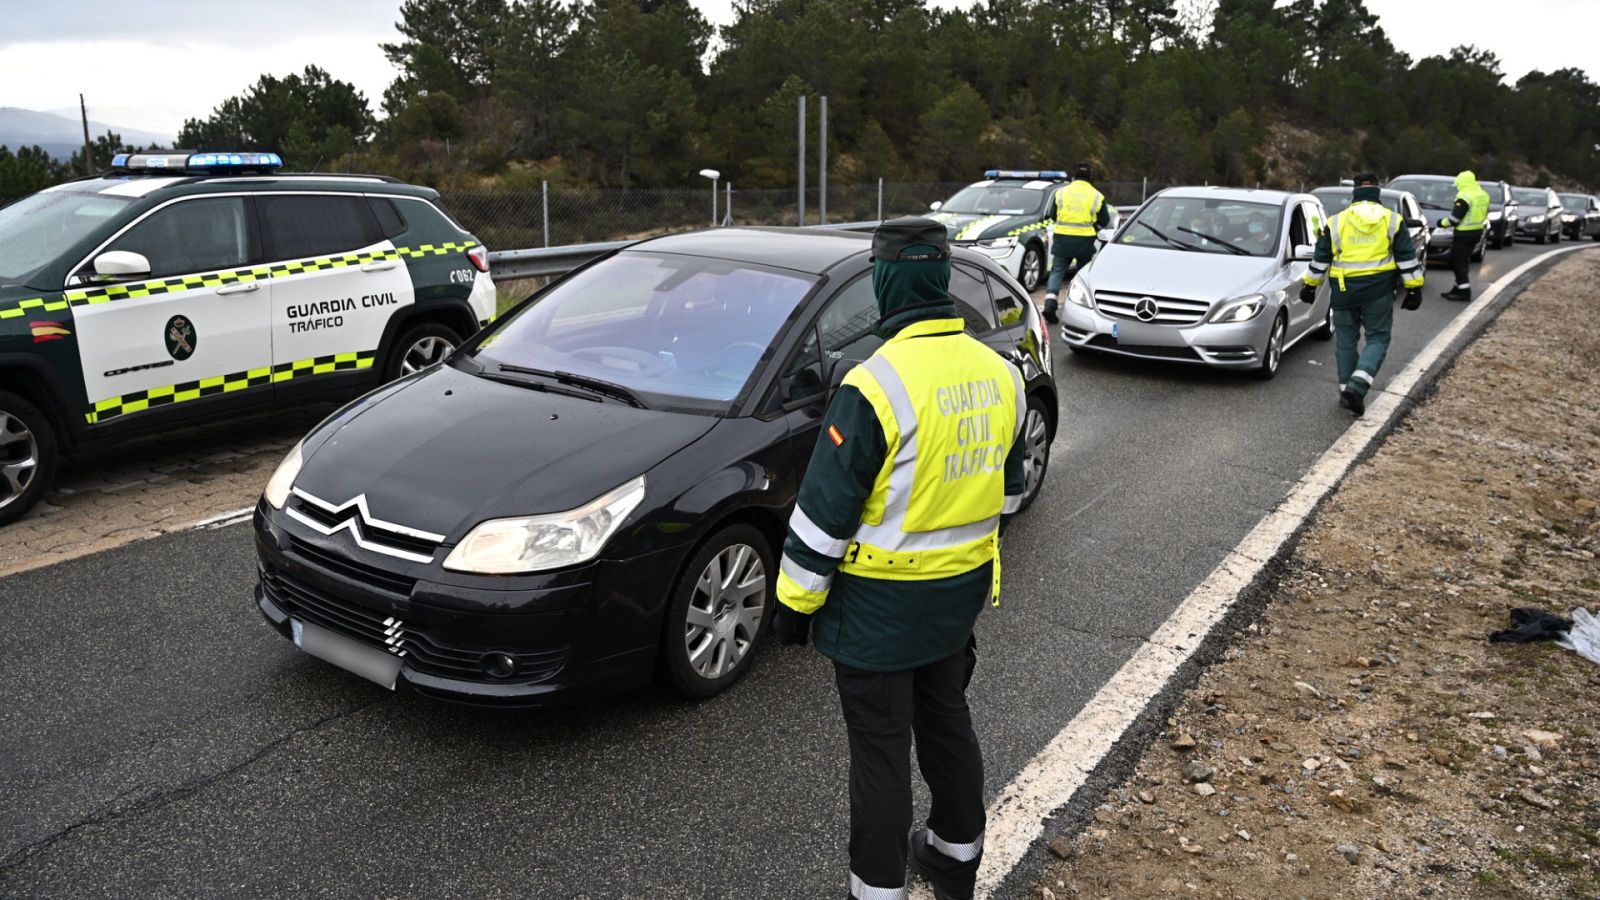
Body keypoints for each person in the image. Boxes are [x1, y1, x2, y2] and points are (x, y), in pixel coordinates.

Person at [772, 216, 1027, 900]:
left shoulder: (873, 385)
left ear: (885, 286)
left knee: (880, 751)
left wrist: (794, 607)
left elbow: (822, 520)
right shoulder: (1002, 374)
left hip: (877, 607)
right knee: (946, 719)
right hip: (960, 595)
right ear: (941, 279)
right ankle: (954, 857)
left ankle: (877, 890)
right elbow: (1012, 489)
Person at [1299, 173, 1424, 417]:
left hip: (1344, 291)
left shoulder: (1337, 221)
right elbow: (1407, 259)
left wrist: (1310, 286)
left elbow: (1321, 258)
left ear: (1354, 191)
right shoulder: (1392, 220)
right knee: (1377, 338)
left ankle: (1347, 390)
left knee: (1346, 340)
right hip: (1378, 291)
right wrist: (1414, 288)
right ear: (1377, 192)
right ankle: (1357, 386)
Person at [1041, 163, 1110, 323]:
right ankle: (1083, 310)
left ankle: (1049, 306)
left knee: (1057, 271)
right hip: (1084, 241)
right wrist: (1094, 225)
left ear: (1074, 177)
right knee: (1084, 275)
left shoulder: (1061, 192)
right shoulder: (1097, 195)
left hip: (1062, 238)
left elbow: (1052, 215)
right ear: (1091, 178)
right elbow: (1105, 221)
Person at [1437, 170, 1489, 301]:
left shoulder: (1464, 196)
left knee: (1458, 261)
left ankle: (1464, 292)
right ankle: (1458, 288)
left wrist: (1441, 223)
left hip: (1464, 233)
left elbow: (1455, 219)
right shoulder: (1483, 194)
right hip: (1477, 231)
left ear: (1462, 183)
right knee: (1464, 260)